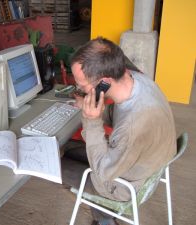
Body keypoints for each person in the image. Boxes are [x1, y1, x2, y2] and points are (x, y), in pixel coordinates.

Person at [68, 37, 177, 225]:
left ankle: (105, 220)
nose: (79, 88)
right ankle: (104, 216)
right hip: (146, 162)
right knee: (72, 151)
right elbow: (118, 113)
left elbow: (103, 172)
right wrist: (95, 108)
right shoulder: (139, 81)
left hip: (126, 185)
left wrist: (92, 121)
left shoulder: (132, 126)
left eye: (82, 85)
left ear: (104, 83)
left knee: (59, 164)